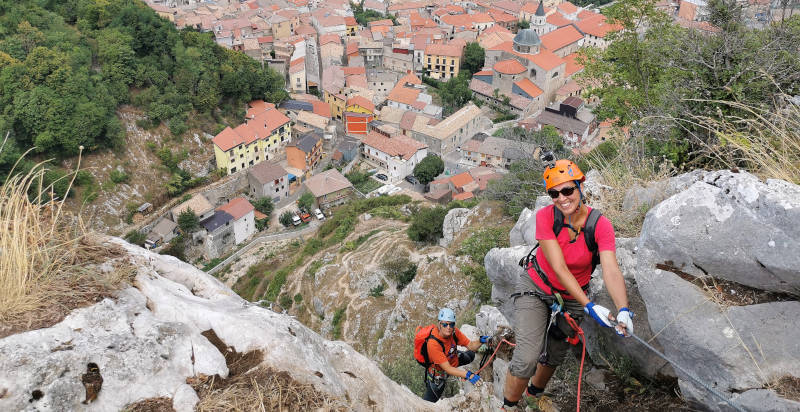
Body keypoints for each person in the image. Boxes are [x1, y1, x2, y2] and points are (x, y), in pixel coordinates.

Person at [501, 159, 634, 412]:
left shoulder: (600, 225)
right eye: (554, 193)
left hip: (574, 294)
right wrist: (590, 306)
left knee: (557, 348)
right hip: (538, 285)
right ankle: (508, 407)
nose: (562, 198)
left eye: (567, 190)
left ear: (579, 188)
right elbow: (560, 269)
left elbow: (611, 269)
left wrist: (623, 309)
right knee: (527, 358)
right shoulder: (545, 217)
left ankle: (534, 393)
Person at [422, 308, 491, 402]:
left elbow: (471, 346)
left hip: (453, 359)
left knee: (471, 355)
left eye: (451, 324)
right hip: (439, 374)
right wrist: (468, 375)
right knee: (429, 402)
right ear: (439, 324)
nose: (448, 327)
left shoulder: (454, 332)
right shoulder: (433, 343)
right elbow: (447, 369)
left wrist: (480, 341)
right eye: (445, 324)